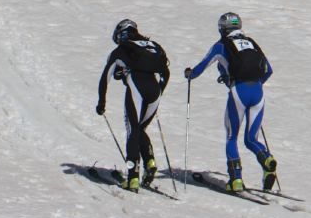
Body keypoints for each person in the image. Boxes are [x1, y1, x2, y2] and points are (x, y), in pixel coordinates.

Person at [184, 12, 277, 193]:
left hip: (238, 92)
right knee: (251, 139)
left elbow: (200, 68)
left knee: (231, 137)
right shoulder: (252, 43)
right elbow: (268, 70)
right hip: (258, 91)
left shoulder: (222, 45)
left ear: (222, 29)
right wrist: (255, 85)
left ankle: (236, 179)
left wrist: (189, 74)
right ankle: (267, 159)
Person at [97, 20, 170, 191]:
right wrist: (159, 91)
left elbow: (105, 77)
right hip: (154, 91)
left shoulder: (121, 50)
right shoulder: (152, 45)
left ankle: (132, 178)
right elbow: (165, 72)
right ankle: (149, 160)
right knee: (140, 129)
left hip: (137, 87)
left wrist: (102, 102)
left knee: (132, 130)